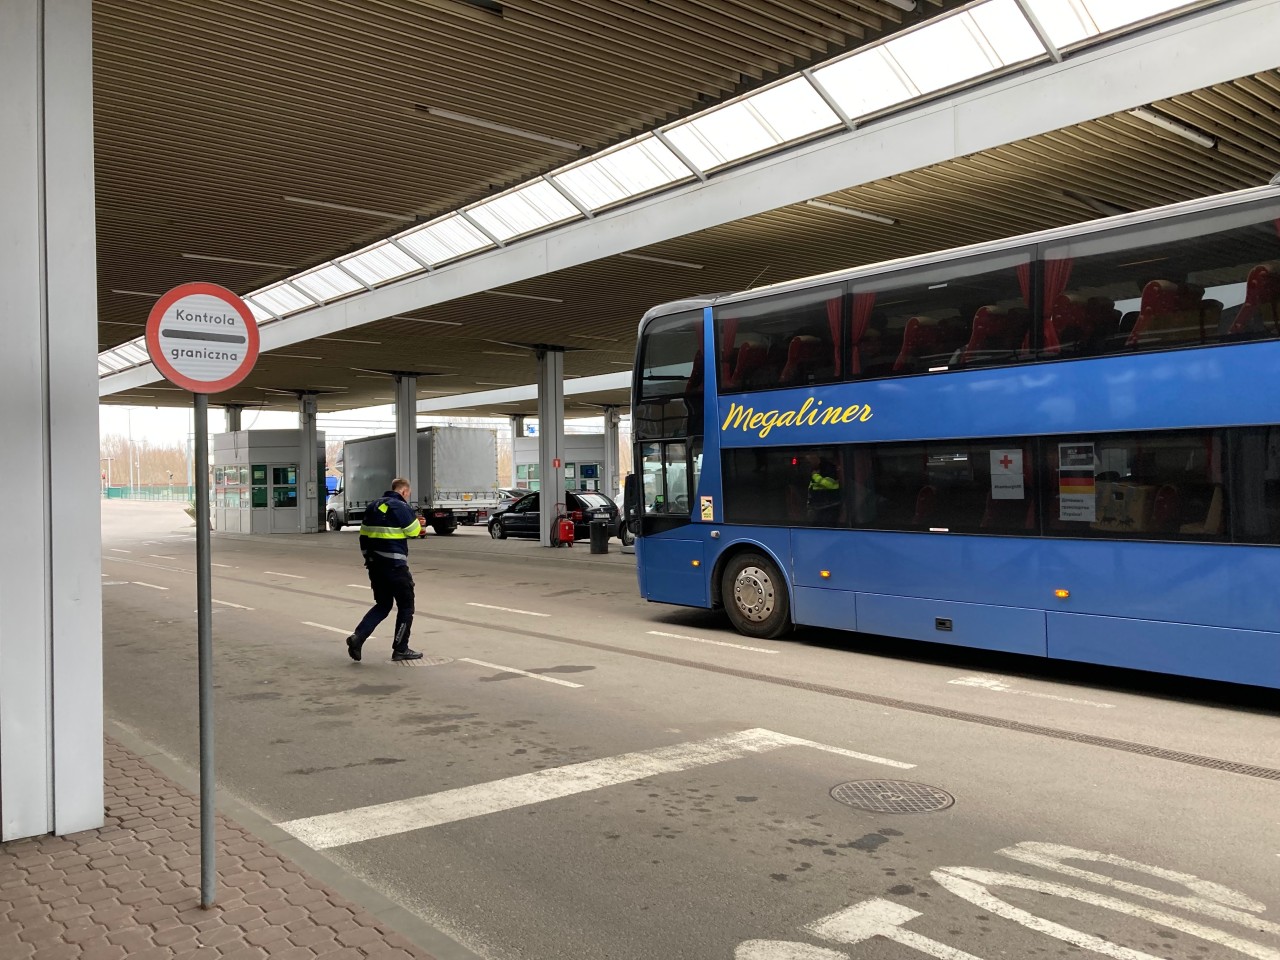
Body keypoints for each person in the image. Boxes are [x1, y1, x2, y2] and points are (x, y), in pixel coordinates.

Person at [345, 478, 424, 662]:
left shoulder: (373, 506)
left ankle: (358, 638)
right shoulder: (400, 506)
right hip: (395, 567)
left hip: (375, 566)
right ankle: (400, 649)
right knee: (406, 606)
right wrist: (418, 523)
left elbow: (362, 536)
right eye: (408, 493)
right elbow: (414, 531)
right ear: (404, 491)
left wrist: (368, 558)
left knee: (383, 605)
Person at [805, 453, 841, 525]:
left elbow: (831, 485)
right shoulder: (814, 469)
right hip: (817, 506)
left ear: (815, 457)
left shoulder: (828, 468)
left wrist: (816, 477)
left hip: (829, 506)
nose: (809, 463)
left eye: (809, 461)